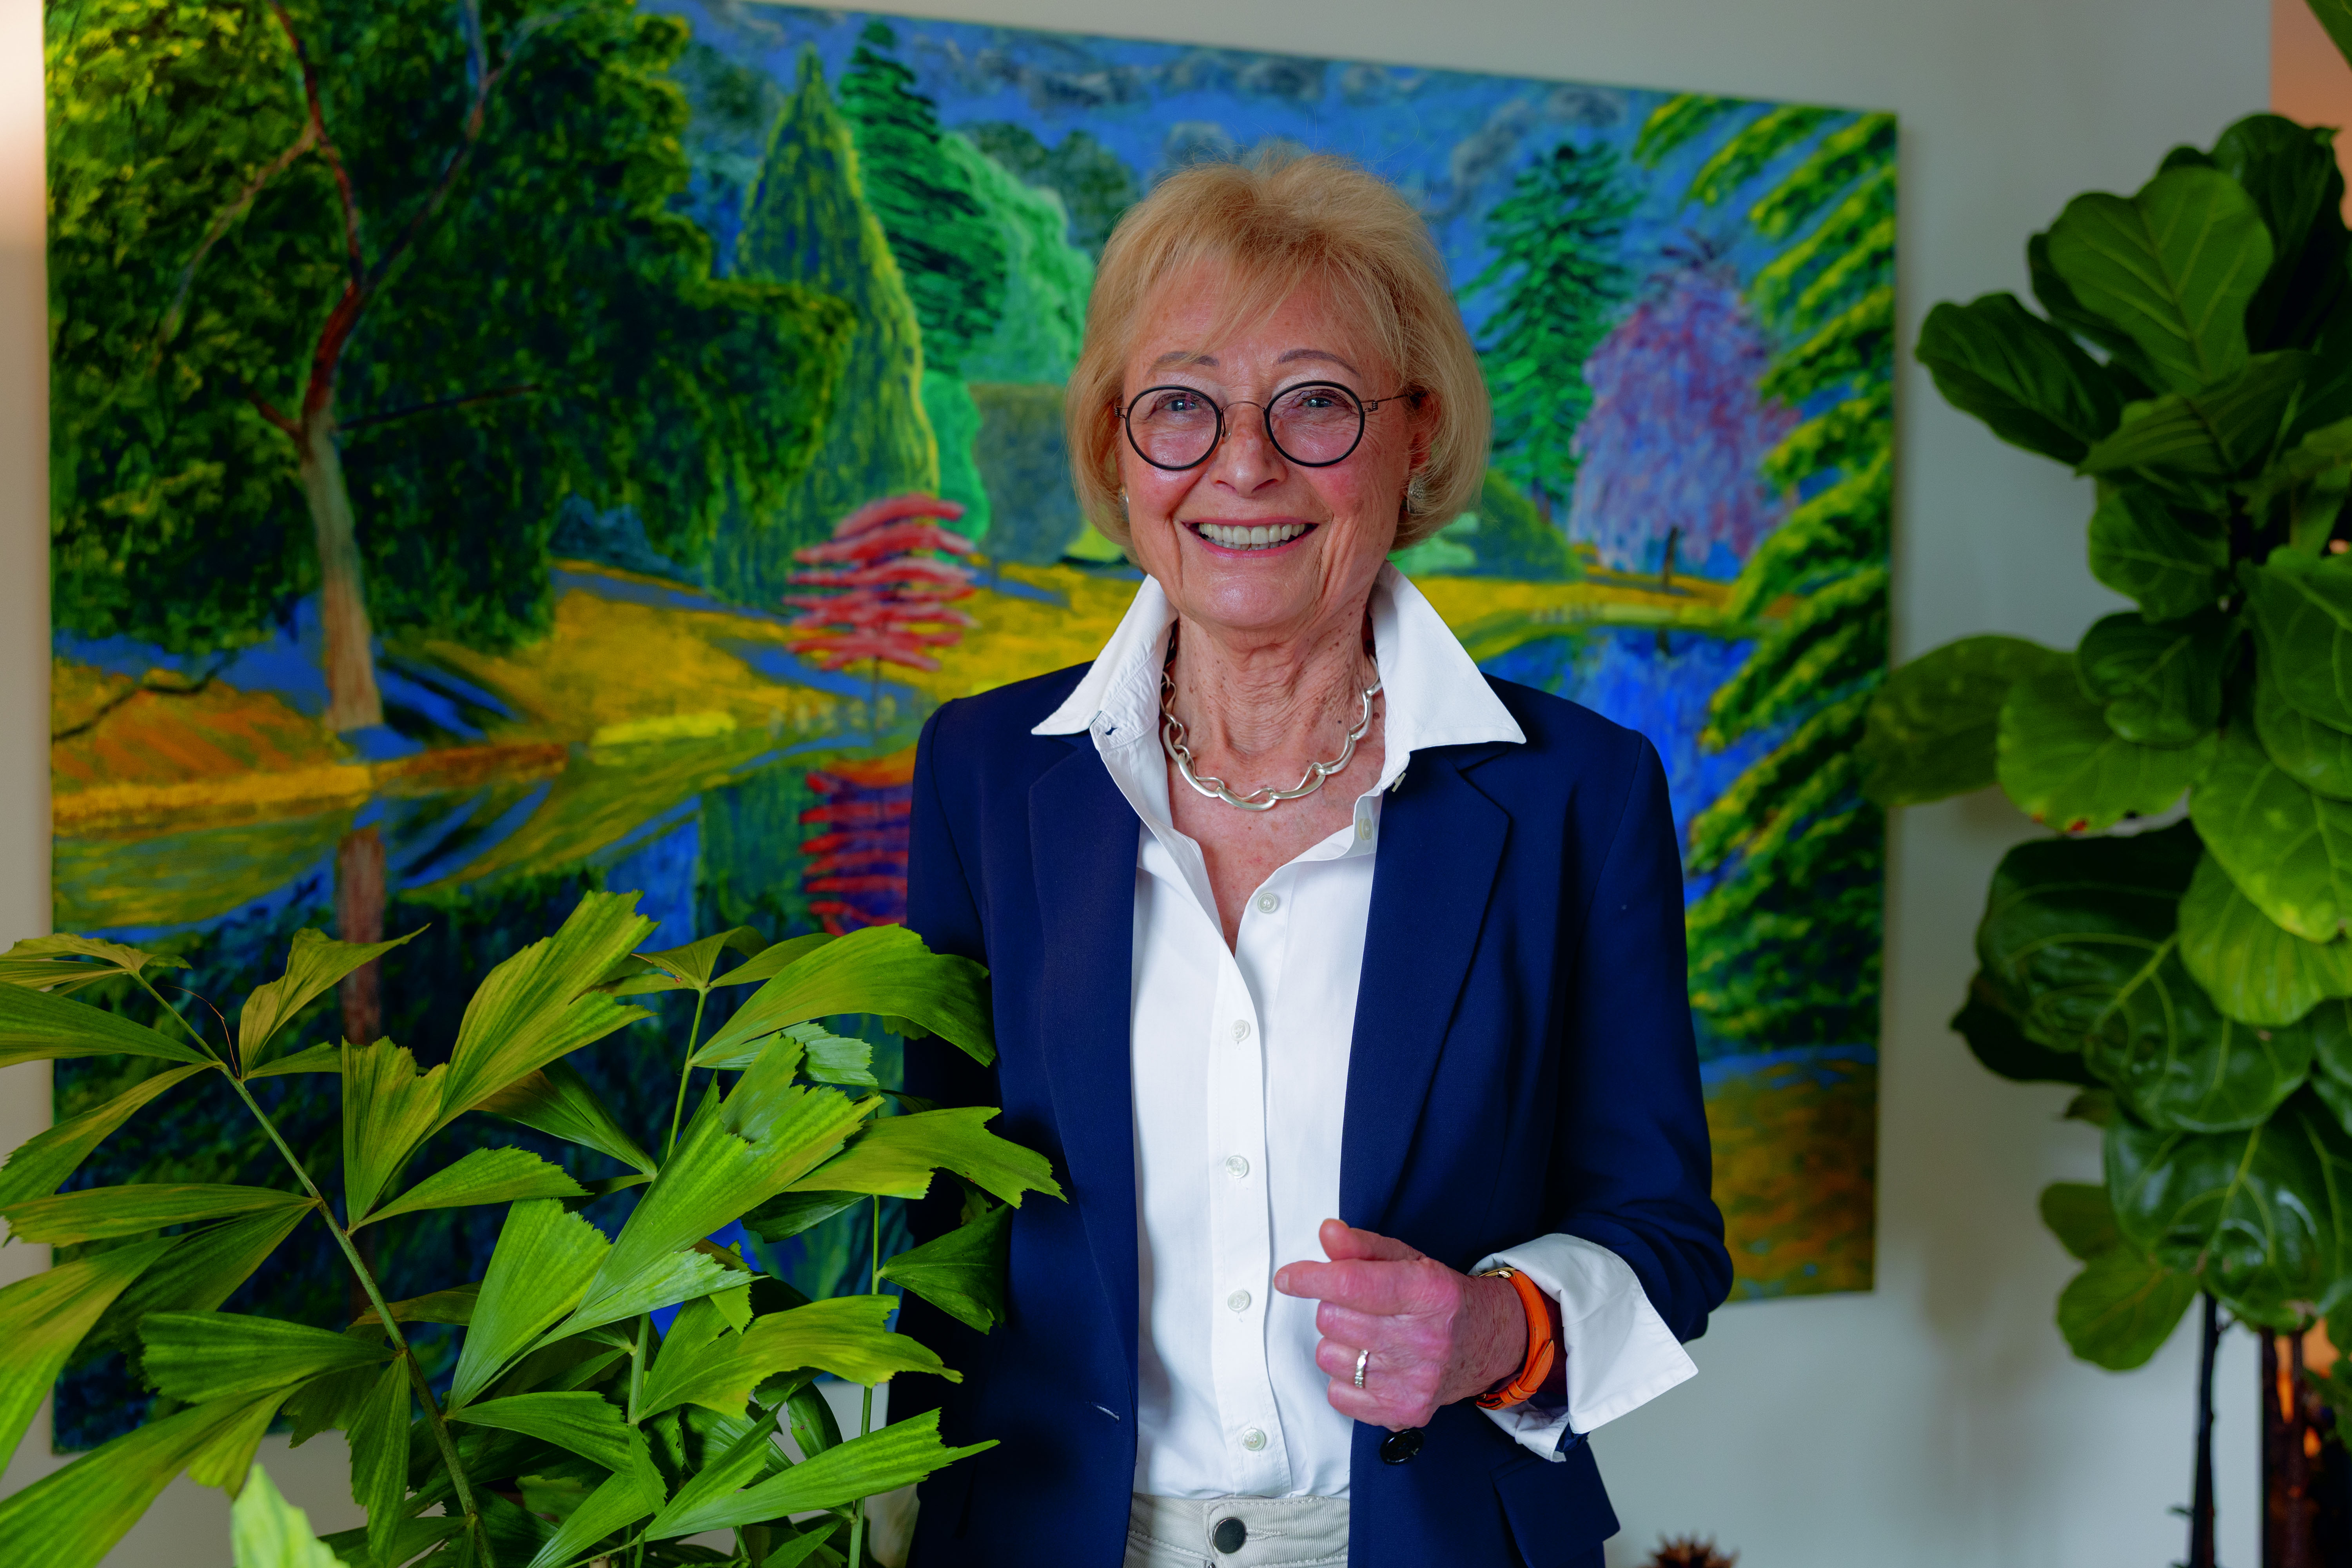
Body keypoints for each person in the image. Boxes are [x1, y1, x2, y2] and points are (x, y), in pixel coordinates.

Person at [899, 151, 1730, 1568]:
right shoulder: (987, 776)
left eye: (1317, 404)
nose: (1243, 465)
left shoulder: (1578, 793)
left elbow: (1664, 1230)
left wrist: (1501, 1330)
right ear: (1114, 446)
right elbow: (935, 1226)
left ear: (1415, 438)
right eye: (1181, 405)